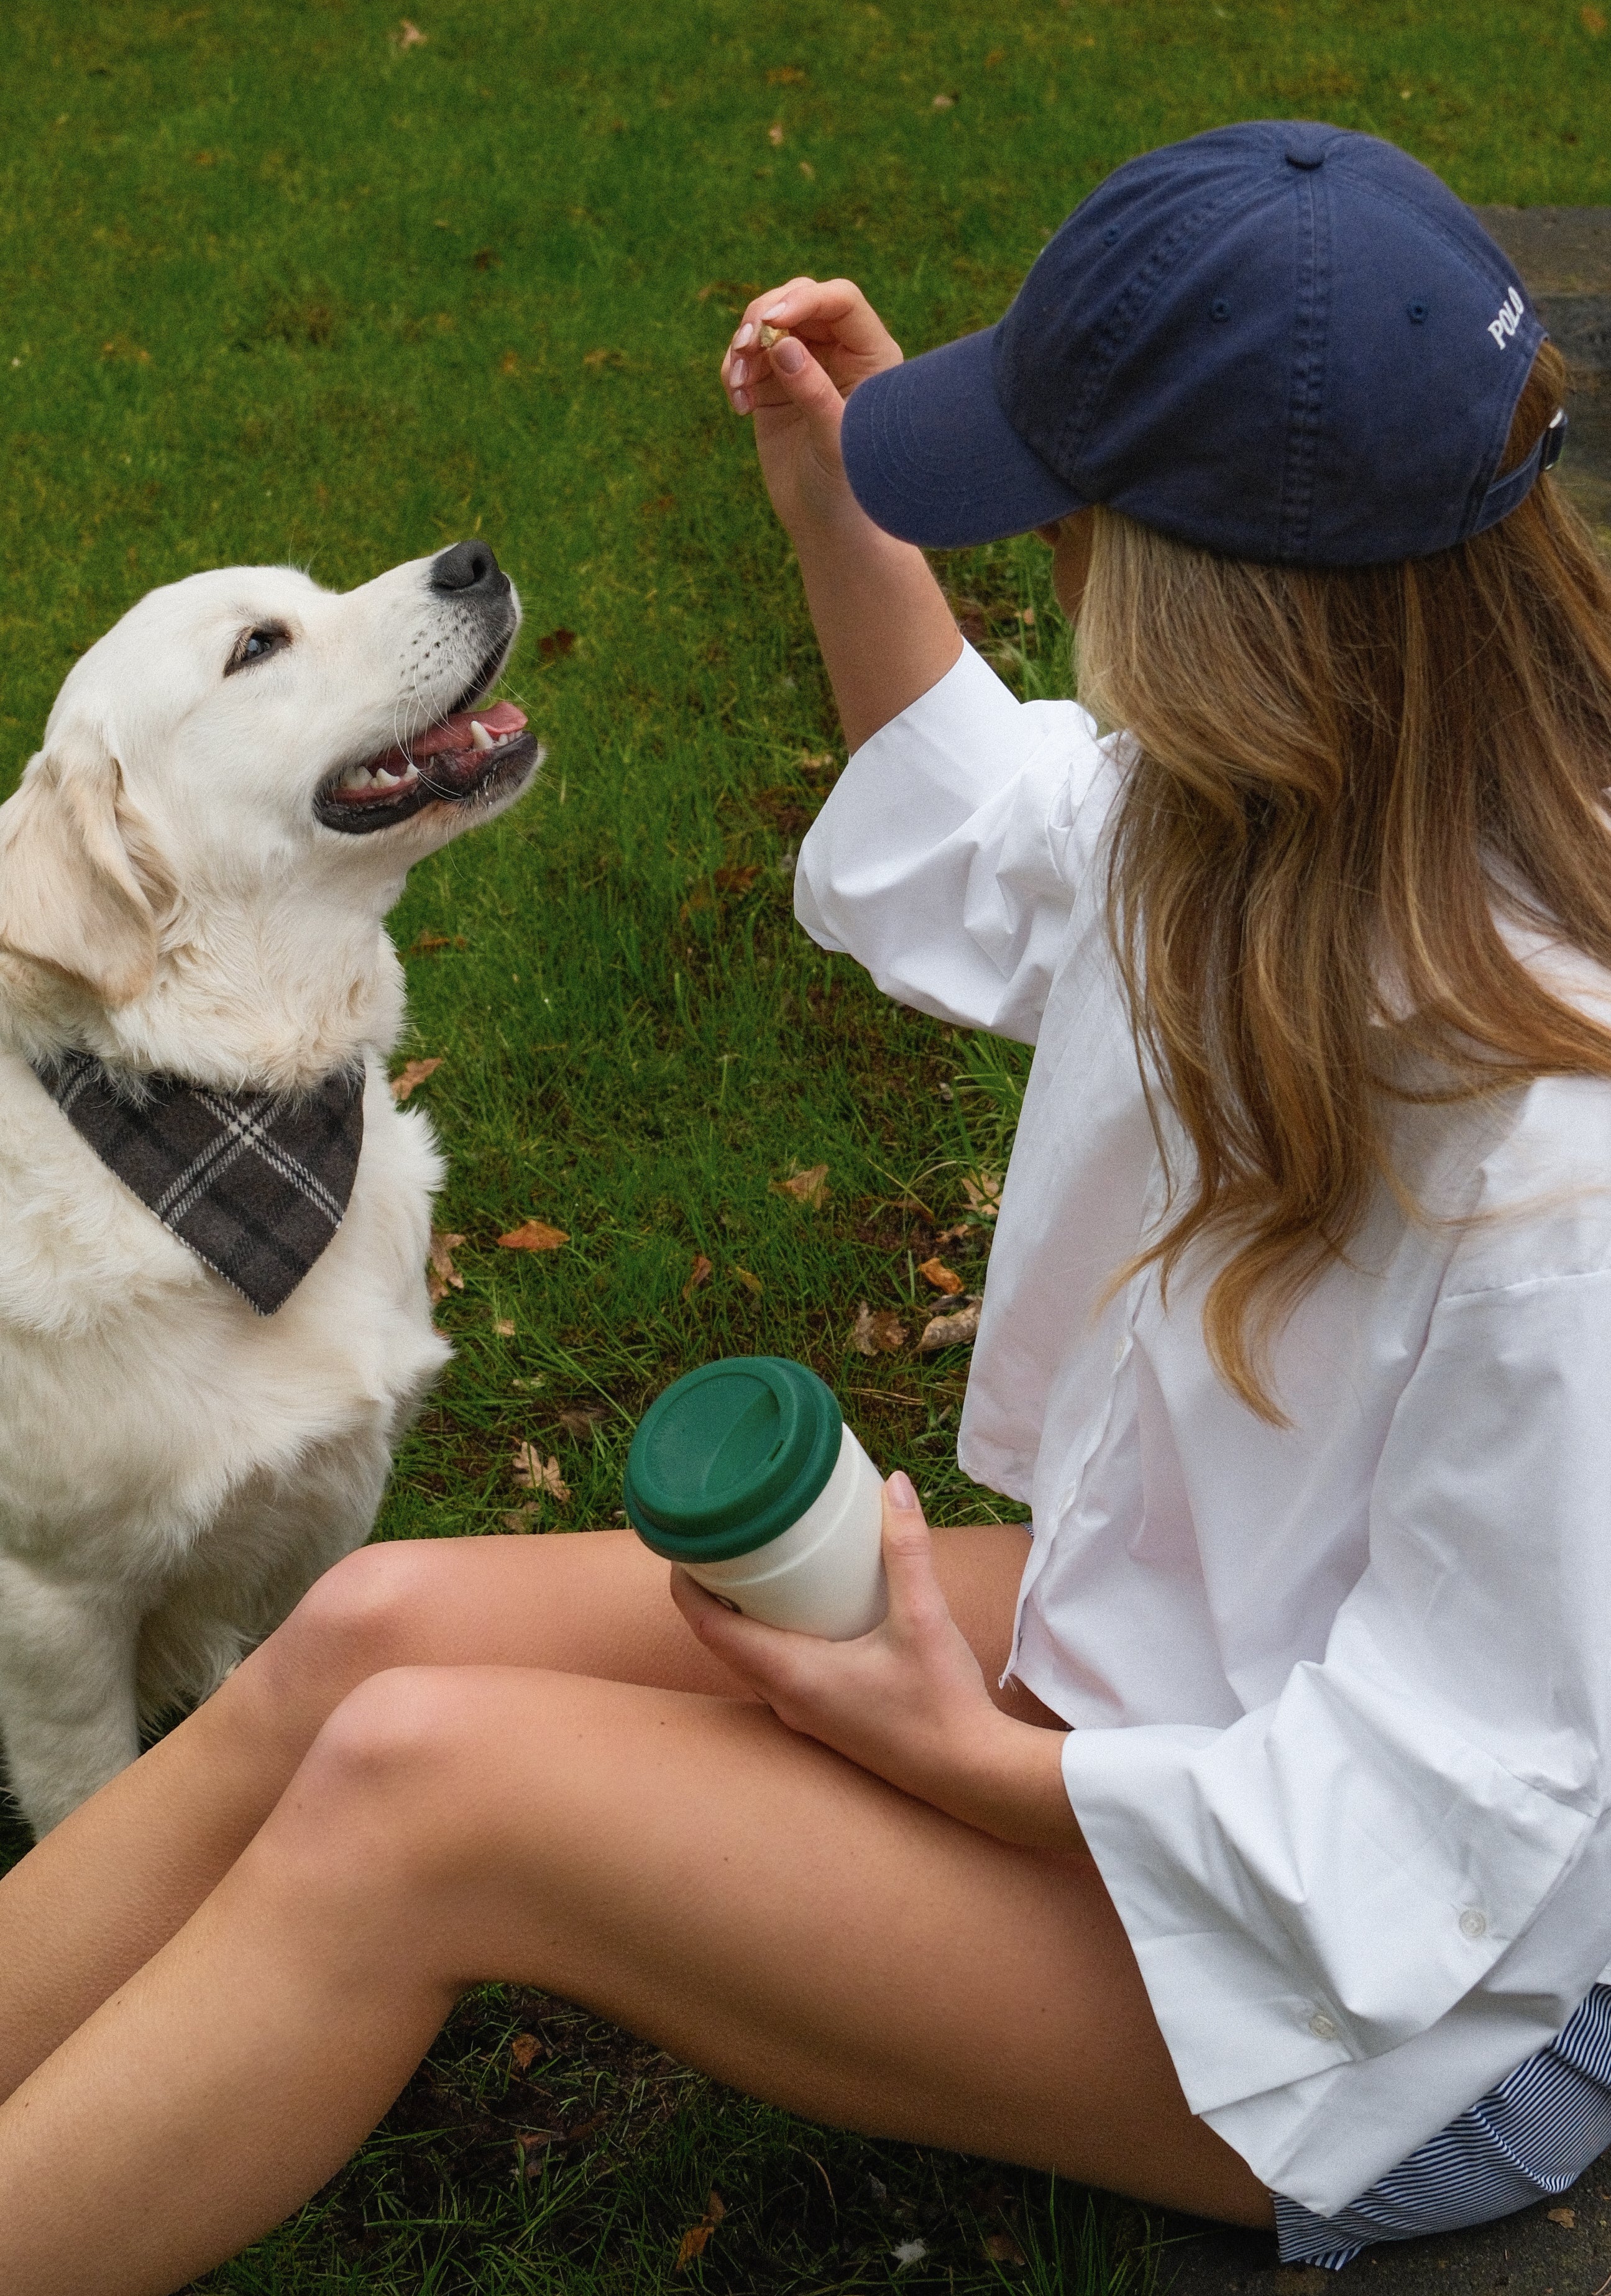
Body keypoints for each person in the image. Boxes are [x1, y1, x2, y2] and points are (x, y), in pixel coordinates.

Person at [1, 119, 1608, 2293]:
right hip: (1184, 1666)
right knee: (363, 1635)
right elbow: (997, 824)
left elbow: (1449, 1829)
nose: (1047, 571)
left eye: (1064, 522)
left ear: (1217, 617)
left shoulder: (1558, 1164)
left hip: (1410, 2010)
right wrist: (840, 504)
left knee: (422, 1795)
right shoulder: (1273, 813)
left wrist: (959, 1763)